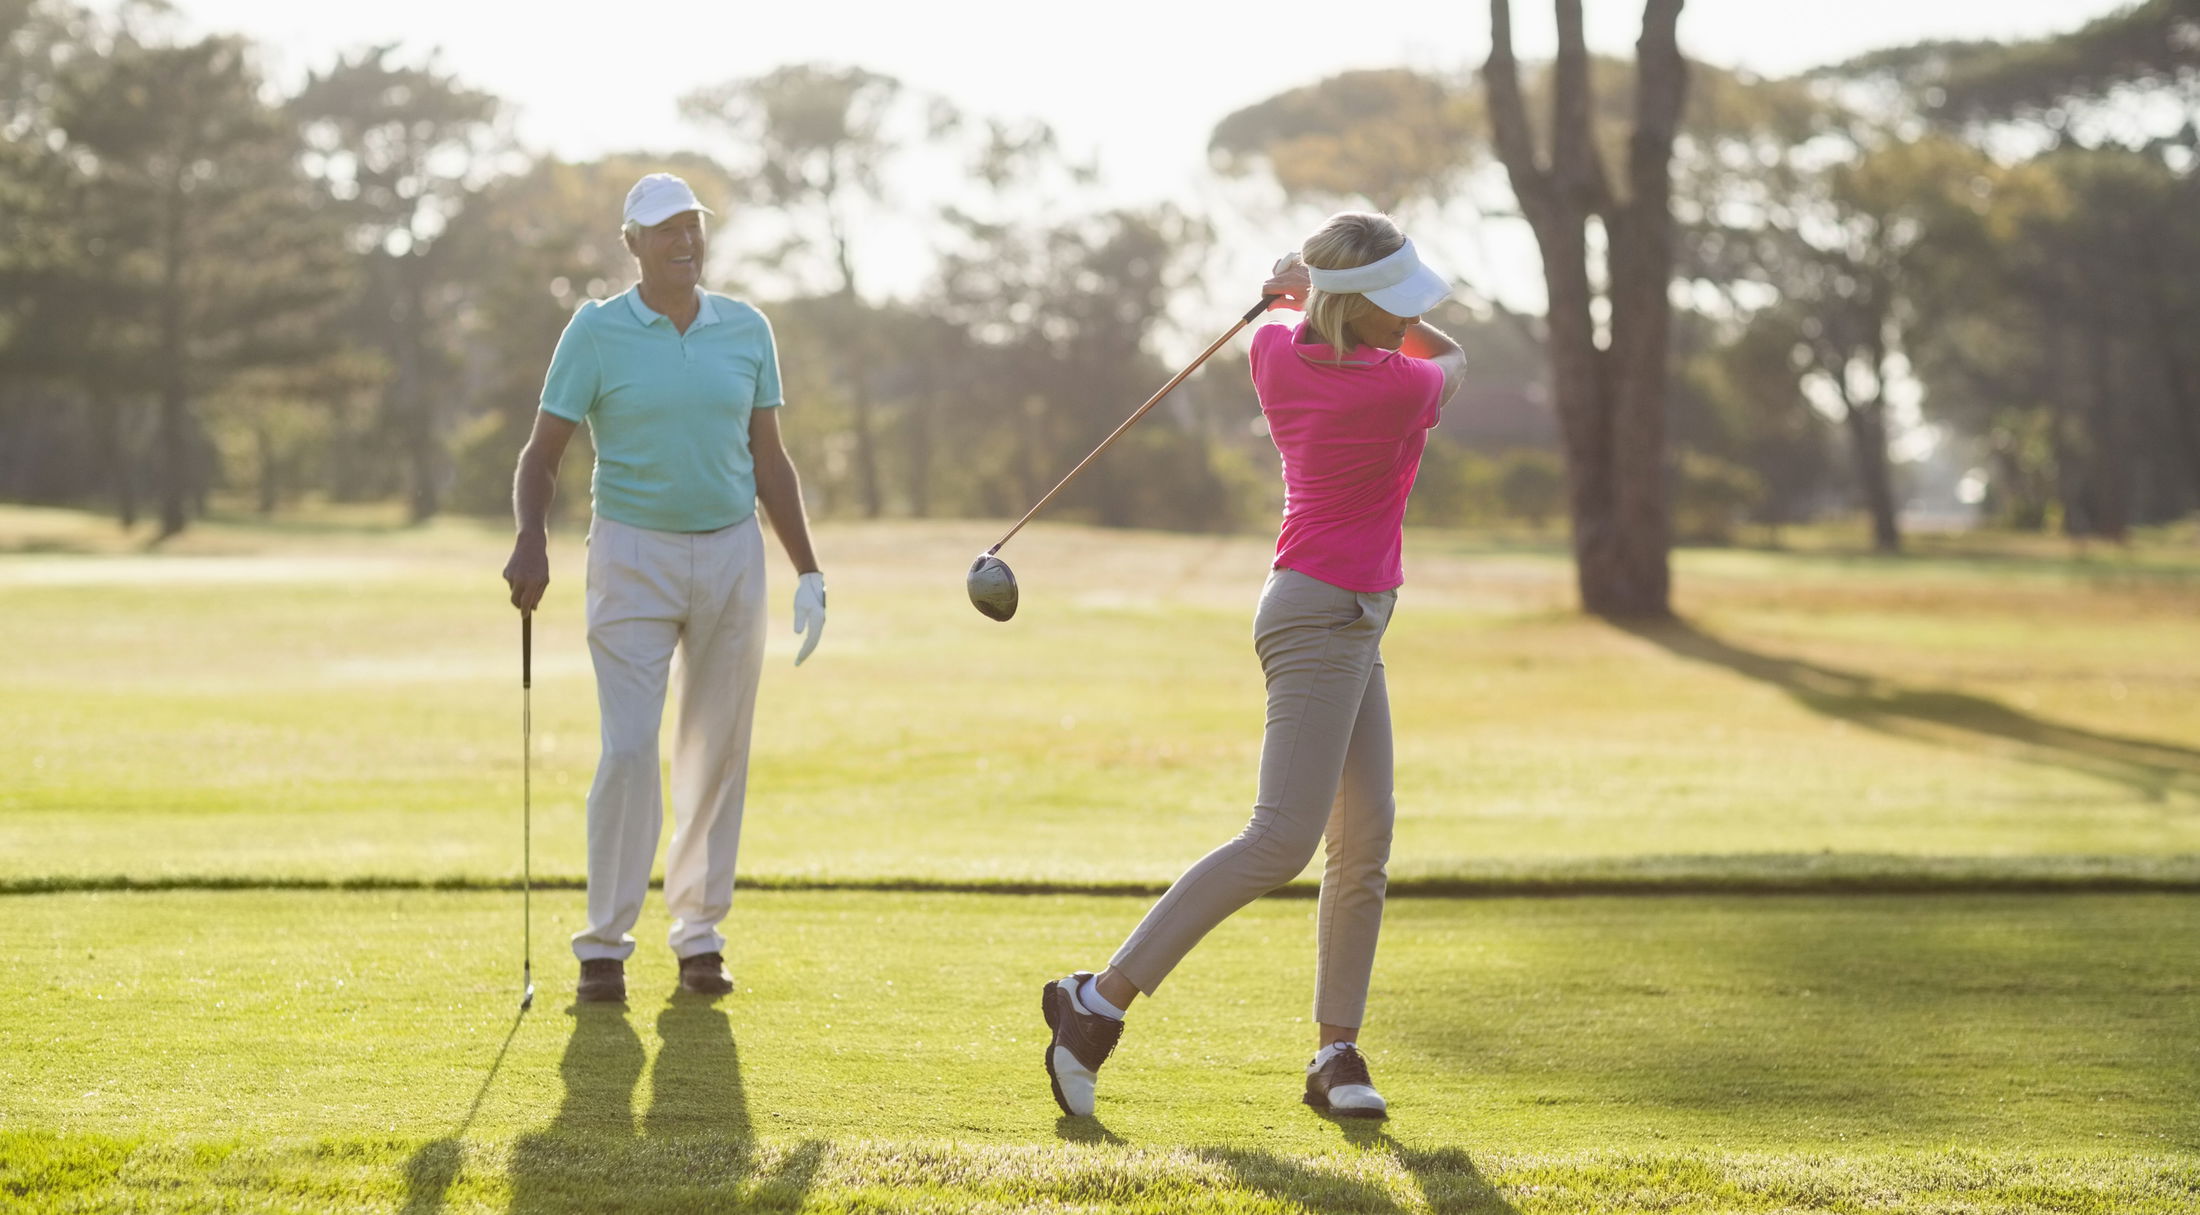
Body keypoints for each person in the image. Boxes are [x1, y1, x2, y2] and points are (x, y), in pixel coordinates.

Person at [1041, 212, 1466, 1119]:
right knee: (1281, 839)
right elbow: (1455, 358)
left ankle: (1335, 1054)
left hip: (1340, 615)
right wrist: (1310, 285)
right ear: (1356, 308)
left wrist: (1297, 289)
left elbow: (1294, 316)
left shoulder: (1273, 353)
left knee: (1364, 843)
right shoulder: (1396, 386)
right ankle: (1096, 1003)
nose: (1407, 321)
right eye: (1392, 307)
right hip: (1324, 619)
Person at [502, 172, 827, 1004]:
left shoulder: (746, 329)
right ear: (632, 245)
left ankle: (698, 938)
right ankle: (604, 945)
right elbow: (542, 455)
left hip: (730, 553)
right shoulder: (596, 332)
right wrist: (530, 538)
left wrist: (808, 567)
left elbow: (770, 460)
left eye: (692, 226)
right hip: (630, 554)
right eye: (664, 230)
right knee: (627, 749)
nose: (684, 242)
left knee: (714, 753)